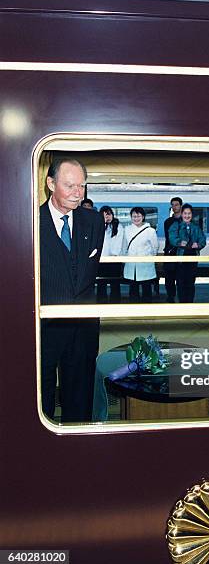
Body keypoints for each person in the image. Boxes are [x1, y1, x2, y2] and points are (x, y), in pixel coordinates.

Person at [40, 158, 104, 422]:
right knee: (40, 400)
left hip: (83, 329)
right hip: (42, 329)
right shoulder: (30, 222)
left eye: (82, 186)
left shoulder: (94, 221)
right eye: (70, 186)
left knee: (79, 405)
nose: (78, 193)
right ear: (51, 184)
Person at [168, 203, 206, 302]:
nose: (187, 216)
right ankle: (182, 303)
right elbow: (171, 238)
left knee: (191, 282)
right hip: (180, 257)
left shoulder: (196, 227)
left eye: (189, 213)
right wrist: (179, 242)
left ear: (192, 214)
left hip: (193, 258)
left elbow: (202, 240)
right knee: (180, 282)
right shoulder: (176, 225)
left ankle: (190, 302)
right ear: (181, 214)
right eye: (185, 213)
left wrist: (198, 245)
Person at [123, 207, 158, 302]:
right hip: (131, 264)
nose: (136, 218)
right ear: (131, 217)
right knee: (133, 289)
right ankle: (134, 309)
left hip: (145, 264)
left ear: (143, 217)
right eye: (134, 216)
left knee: (146, 288)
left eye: (138, 216)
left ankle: (146, 310)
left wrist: (149, 258)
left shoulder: (150, 230)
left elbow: (155, 247)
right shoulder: (127, 229)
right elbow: (124, 246)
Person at [97, 206, 124, 302]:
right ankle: (101, 302)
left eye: (109, 214)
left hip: (114, 259)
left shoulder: (118, 226)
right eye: (104, 215)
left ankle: (115, 302)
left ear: (112, 215)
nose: (107, 217)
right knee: (101, 282)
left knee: (115, 283)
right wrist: (102, 223)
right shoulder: (98, 226)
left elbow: (118, 242)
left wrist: (115, 254)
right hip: (101, 259)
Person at [163, 197, 183, 302]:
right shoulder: (168, 222)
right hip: (170, 253)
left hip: (182, 254)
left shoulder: (186, 221)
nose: (174, 207)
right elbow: (169, 238)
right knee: (169, 278)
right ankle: (170, 297)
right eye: (172, 205)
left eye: (176, 204)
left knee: (181, 279)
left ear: (181, 205)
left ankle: (181, 299)